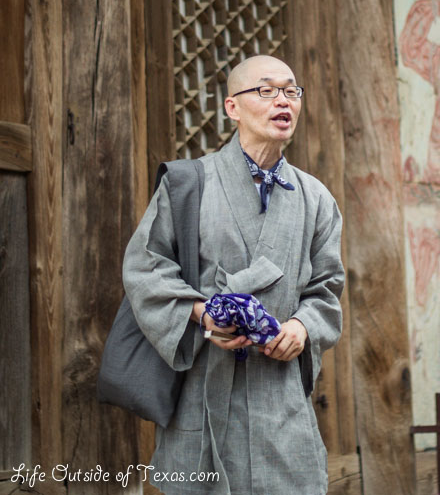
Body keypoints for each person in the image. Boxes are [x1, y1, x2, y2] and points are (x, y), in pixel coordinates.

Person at [122, 54, 345, 495]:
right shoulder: (188, 184)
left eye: (291, 91)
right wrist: (204, 314)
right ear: (232, 107)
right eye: (266, 90)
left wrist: (301, 327)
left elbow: (328, 288)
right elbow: (146, 266)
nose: (283, 101)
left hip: (279, 401)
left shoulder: (317, 199)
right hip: (203, 395)